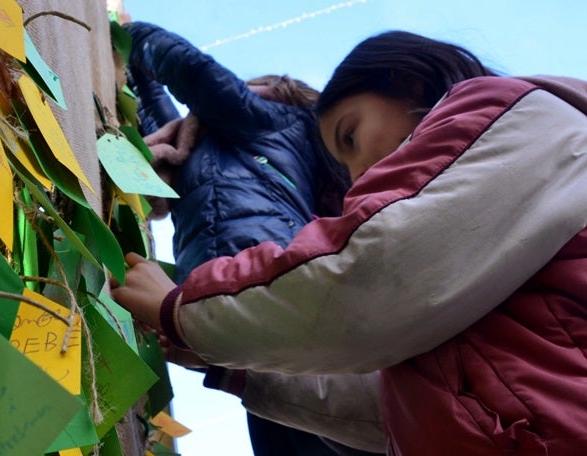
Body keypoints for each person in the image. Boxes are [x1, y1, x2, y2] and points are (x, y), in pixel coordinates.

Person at [111, 30, 587, 455]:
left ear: (410, 83)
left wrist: (133, 38)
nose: (360, 174)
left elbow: (374, 272)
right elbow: (398, 399)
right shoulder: (466, 290)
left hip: (265, 283)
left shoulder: (522, 115)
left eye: (351, 136)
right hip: (260, 304)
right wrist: (234, 365)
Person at [123, 21, 373, 456]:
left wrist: (130, 37)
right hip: (232, 300)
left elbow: (192, 69)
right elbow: (160, 115)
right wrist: (136, 76)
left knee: (309, 421)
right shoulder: (205, 147)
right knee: (285, 419)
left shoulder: (269, 117)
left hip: (257, 281)